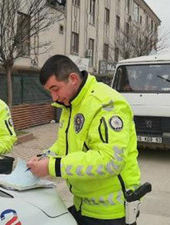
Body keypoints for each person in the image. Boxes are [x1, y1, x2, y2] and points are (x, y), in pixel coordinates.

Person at [26, 55, 141, 225]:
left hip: (110, 213)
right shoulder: (71, 104)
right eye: (50, 91)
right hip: (83, 205)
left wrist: (52, 166)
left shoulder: (106, 104)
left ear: (73, 79)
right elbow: (65, 144)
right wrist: (45, 156)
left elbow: (110, 160)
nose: (54, 98)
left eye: (55, 89)